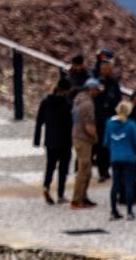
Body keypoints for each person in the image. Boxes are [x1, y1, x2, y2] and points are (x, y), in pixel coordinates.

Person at [33, 76, 75, 204]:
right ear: (67, 90)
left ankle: (46, 186)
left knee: (50, 166)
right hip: (65, 142)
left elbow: (39, 122)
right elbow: (70, 124)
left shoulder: (45, 102)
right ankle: (60, 194)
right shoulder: (67, 104)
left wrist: (37, 140)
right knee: (63, 169)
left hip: (50, 141)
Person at [105, 101, 136, 220]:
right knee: (128, 184)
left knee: (115, 185)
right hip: (129, 157)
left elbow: (106, 142)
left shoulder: (109, 123)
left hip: (115, 157)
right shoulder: (131, 124)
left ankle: (113, 211)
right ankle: (130, 212)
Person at [69, 78, 101, 209]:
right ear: (91, 89)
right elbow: (89, 125)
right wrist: (96, 137)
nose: (98, 92)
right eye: (97, 90)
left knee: (86, 170)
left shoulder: (78, 99)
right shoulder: (88, 104)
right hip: (84, 139)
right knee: (84, 170)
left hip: (76, 136)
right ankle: (77, 200)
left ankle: (83, 197)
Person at [91, 50, 121, 181]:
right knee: (95, 145)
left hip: (108, 118)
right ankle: (93, 169)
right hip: (96, 118)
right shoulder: (93, 80)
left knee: (106, 146)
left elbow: (117, 99)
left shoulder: (112, 81)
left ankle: (104, 170)